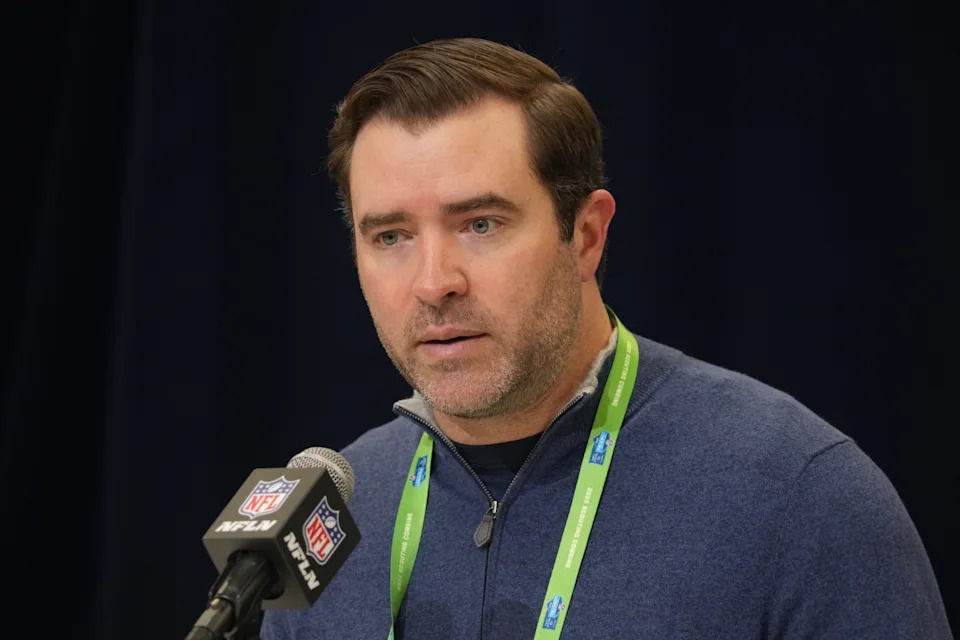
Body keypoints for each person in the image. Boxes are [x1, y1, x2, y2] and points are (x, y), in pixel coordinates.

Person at [262, 38, 952, 639]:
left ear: (586, 235)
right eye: (392, 237)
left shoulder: (800, 497)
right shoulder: (327, 519)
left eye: (481, 224)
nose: (434, 281)